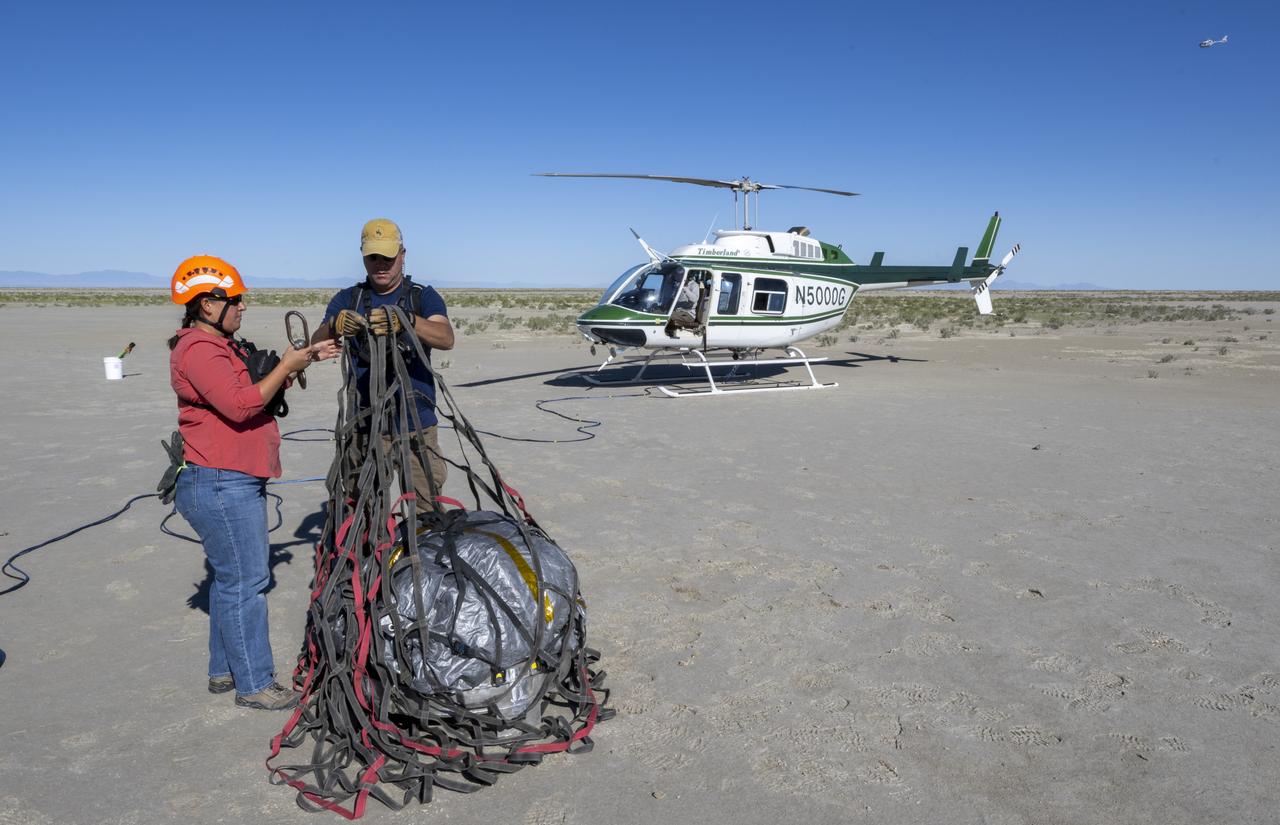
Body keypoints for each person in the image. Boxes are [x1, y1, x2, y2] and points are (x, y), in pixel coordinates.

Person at [168, 255, 340, 710]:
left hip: (229, 479)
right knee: (247, 582)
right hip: (221, 482)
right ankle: (255, 684)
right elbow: (243, 405)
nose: (243, 307)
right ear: (207, 305)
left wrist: (304, 360)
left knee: (230, 581)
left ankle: (224, 671)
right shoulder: (200, 350)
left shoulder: (220, 346)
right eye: (236, 300)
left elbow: (259, 382)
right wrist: (286, 366)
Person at [313, 218, 455, 502]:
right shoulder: (347, 299)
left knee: (426, 513)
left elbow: (445, 337)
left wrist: (407, 321)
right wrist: (334, 325)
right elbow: (314, 347)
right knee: (361, 513)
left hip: (416, 428)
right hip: (364, 428)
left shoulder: (422, 297)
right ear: (363, 257)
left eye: (388, 257)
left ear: (402, 255)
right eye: (372, 257)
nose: (380, 264)